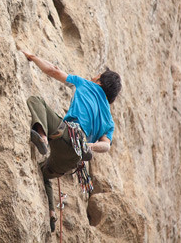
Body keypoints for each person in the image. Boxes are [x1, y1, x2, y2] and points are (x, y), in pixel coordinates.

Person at [21, 50, 122, 232]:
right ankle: (52, 212)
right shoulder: (109, 120)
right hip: (74, 159)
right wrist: (89, 145)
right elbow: (106, 146)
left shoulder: (86, 84)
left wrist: (33, 57)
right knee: (44, 173)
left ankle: (42, 137)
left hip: (67, 134)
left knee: (36, 101)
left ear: (99, 79)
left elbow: (53, 71)